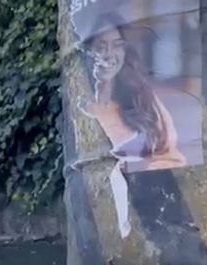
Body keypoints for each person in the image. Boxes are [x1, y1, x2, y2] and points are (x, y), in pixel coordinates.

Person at [79, 13, 186, 172]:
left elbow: (171, 152)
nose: (109, 53)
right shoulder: (85, 102)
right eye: (101, 47)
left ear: (125, 49)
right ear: (90, 51)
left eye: (117, 45)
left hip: (157, 181)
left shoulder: (142, 95)